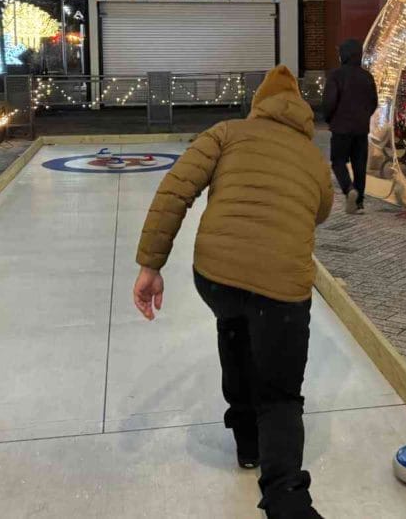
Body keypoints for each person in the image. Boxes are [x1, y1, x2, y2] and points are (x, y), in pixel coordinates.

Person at [133, 65, 333, 519]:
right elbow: (320, 211)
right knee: (280, 394)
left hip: (216, 276)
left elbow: (174, 191)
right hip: (282, 286)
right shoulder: (312, 158)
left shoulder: (225, 132)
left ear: (258, 104)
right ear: (300, 112)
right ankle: (286, 497)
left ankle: (246, 441)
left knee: (235, 328)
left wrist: (151, 264)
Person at [322, 38, 378, 214]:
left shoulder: (336, 75)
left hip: (341, 128)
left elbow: (329, 101)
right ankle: (359, 203)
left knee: (338, 161)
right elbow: (373, 102)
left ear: (343, 55)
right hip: (361, 128)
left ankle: (349, 189)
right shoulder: (367, 76)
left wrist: (329, 118)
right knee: (359, 164)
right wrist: (363, 117)